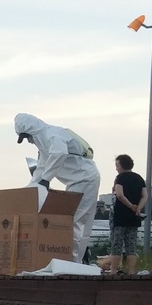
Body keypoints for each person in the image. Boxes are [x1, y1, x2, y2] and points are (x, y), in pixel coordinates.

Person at [15, 113, 102, 264]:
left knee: (75, 221)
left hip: (85, 178)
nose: (29, 142)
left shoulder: (53, 134)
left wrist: (46, 179)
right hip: (77, 181)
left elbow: (59, 153)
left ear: (32, 132)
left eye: (28, 137)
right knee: (74, 222)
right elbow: (41, 169)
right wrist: (28, 191)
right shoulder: (44, 146)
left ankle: (73, 262)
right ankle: (73, 261)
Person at [108, 154, 147, 275]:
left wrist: (130, 206)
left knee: (117, 244)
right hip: (134, 217)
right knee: (131, 246)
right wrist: (138, 208)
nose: (116, 168)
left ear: (122, 165)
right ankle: (131, 271)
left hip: (120, 216)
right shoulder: (139, 178)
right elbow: (145, 195)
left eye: (117, 165)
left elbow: (119, 195)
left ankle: (113, 270)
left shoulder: (120, 178)